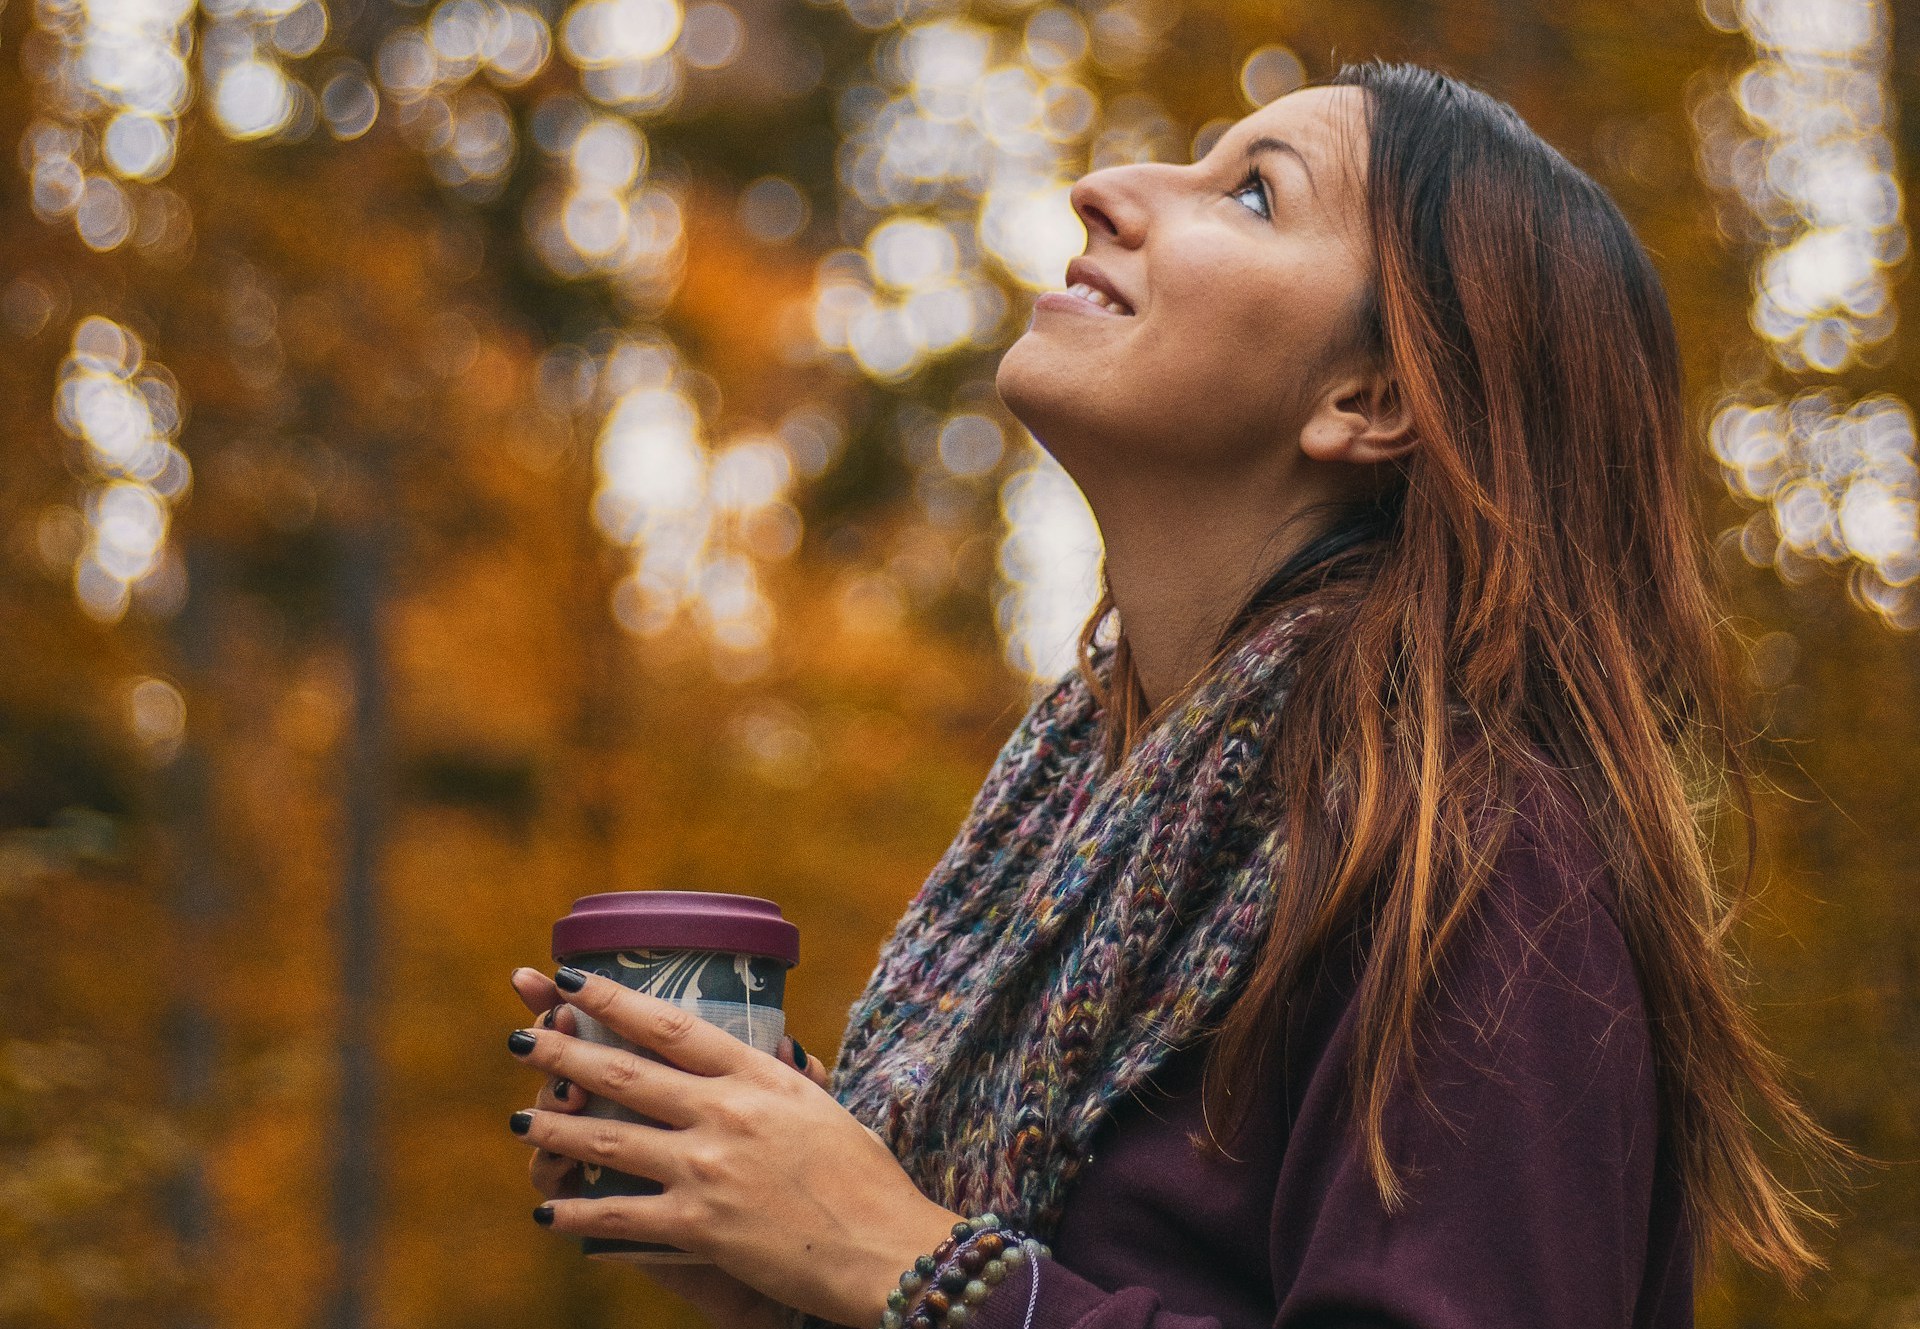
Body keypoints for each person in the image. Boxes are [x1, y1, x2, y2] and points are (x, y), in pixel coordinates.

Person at [500, 60, 1851, 1329]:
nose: (1106, 187)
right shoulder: (1084, 819)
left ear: (1373, 397)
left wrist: (915, 1266)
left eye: (1252, 192)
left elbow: (952, 1276)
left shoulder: (1476, 856)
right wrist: (785, 1233)